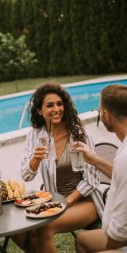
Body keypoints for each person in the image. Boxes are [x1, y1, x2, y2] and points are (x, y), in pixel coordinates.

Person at [15, 83, 104, 253]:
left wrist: (68, 201)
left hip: (85, 202)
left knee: (44, 227)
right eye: (50, 105)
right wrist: (35, 159)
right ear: (39, 111)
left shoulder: (78, 134)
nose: (57, 109)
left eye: (59, 104)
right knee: (19, 230)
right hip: (54, 201)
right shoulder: (34, 135)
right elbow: (26, 176)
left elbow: (93, 178)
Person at [75, 84, 127, 252]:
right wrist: (93, 159)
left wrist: (109, 248)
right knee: (83, 240)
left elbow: (121, 229)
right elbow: (120, 174)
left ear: (107, 115)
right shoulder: (123, 148)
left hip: (120, 239)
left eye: (99, 110)